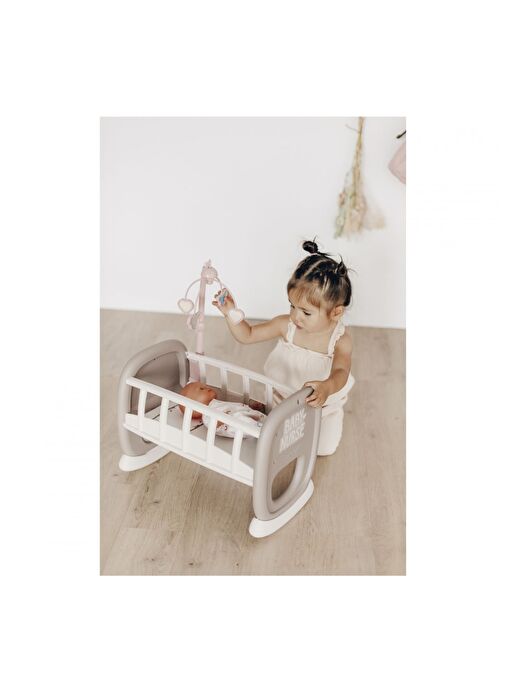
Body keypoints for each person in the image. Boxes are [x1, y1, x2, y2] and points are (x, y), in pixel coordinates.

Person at [212, 240, 354, 456]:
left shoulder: (340, 340)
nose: (296, 316)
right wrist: (230, 313)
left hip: (322, 406)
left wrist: (327, 387)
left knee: (323, 448)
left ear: (336, 312)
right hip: (282, 399)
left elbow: (341, 371)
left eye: (306, 312)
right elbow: (247, 335)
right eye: (292, 305)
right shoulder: (285, 325)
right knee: (271, 440)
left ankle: (325, 423)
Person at [178, 381, 266, 439]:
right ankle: (264, 432)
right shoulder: (207, 414)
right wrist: (220, 421)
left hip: (248, 415)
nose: (207, 388)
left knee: (263, 421)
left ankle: (265, 426)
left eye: (205, 386)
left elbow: (235, 408)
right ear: (194, 404)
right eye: (202, 389)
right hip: (240, 423)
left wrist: (251, 408)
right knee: (250, 424)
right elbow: (214, 427)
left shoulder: (216, 404)